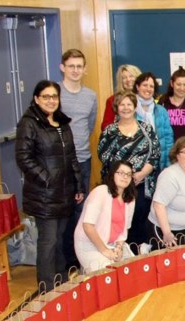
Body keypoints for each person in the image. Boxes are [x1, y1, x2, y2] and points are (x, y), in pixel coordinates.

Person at [16, 80, 84, 291]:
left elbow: (72, 157)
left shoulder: (62, 123)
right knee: (48, 241)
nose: (51, 101)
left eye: (54, 96)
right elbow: (23, 157)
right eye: (46, 97)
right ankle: (46, 288)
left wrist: (78, 185)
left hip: (65, 193)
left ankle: (61, 282)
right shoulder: (29, 123)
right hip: (44, 194)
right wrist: (47, 178)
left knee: (60, 238)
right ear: (36, 99)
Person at [97, 90, 160, 247]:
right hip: (117, 186)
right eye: (122, 104)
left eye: (129, 104)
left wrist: (141, 174)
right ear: (116, 107)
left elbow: (155, 154)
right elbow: (104, 157)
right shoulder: (109, 131)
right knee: (120, 220)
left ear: (135, 107)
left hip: (141, 183)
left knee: (140, 219)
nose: (126, 108)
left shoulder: (146, 129)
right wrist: (123, 177)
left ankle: (141, 256)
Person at [57, 49, 97, 268]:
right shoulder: (54, 93)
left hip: (82, 160)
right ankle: (62, 260)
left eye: (79, 66)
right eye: (71, 66)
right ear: (62, 67)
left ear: (85, 69)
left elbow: (88, 126)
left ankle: (75, 258)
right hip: (58, 162)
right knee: (61, 210)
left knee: (80, 209)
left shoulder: (90, 96)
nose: (75, 70)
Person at [74, 160, 135, 272]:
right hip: (89, 244)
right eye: (121, 173)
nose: (125, 177)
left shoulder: (130, 199)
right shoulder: (100, 192)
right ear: (112, 174)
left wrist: (119, 248)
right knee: (107, 274)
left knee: (132, 270)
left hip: (112, 244)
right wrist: (105, 251)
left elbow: (124, 230)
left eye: (128, 174)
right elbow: (88, 226)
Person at [134, 72, 175, 170]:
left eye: (151, 86)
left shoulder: (161, 111)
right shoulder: (130, 110)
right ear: (137, 87)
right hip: (136, 165)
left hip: (159, 164)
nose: (148, 89)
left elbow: (168, 139)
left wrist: (168, 165)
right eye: (145, 85)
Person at [160, 67, 185, 140]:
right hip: (169, 148)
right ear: (172, 83)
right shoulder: (163, 102)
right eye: (178, 84)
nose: (182, 88)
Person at [101, 64, 141, 132]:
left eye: (131, 76)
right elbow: (105, 126)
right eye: (124, 78)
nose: (128, 80)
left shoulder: (145, 99)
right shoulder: (112, 100)